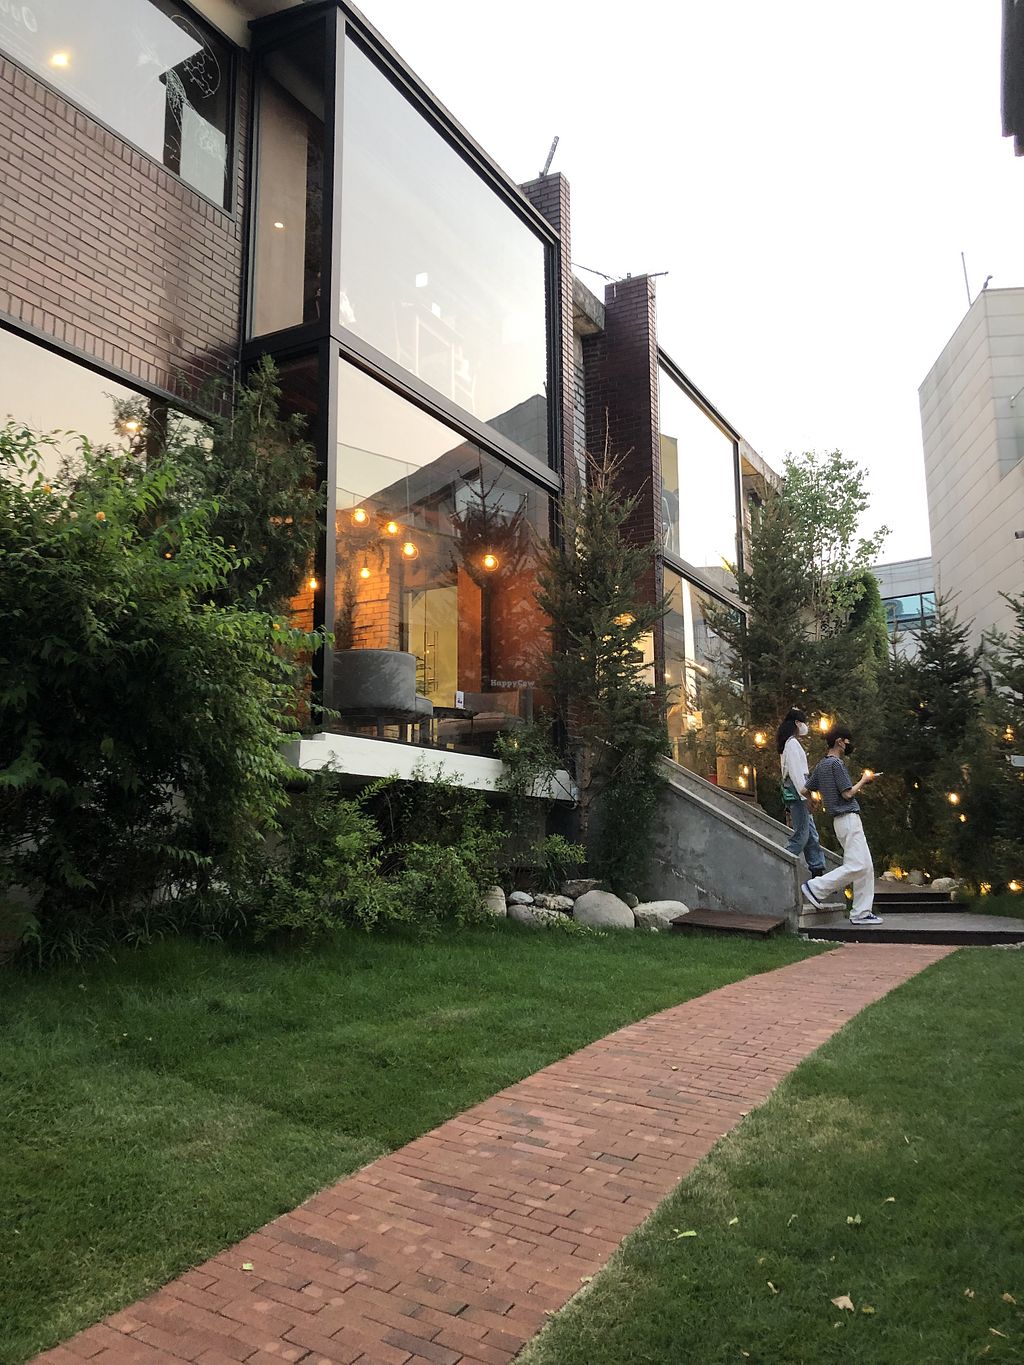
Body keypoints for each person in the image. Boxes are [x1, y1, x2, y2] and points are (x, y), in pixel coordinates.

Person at [800, 725, 883, 925]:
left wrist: (813, 801)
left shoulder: (821, 765)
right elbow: (847, 793)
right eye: (847, 741)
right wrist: (864, 780)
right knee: (857, 865)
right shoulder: (836, 764)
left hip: (840, 822)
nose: (848, 745)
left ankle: (861, 912)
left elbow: (804, 789)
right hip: (848, 818)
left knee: (866, 866)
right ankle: (816, 887)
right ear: (839, 741)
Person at [776, 707, 827, 881]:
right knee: (802, 835)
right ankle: (780, 864)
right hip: (798, 793)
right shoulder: (792, 744)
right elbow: (797, 773)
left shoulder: (790, 744)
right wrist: (806, 795)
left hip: (799, 791)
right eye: (803, 722)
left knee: (811, 835)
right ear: (797, 723)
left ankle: (817, 871)